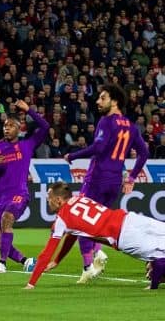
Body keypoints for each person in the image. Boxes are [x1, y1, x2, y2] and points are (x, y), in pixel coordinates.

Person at [64, 83, 149, 283]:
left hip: (97, 177)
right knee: (100, 221)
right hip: (114, 181)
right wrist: (131, 178)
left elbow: (99, 147)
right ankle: (98, 253)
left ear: (115, 101)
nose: (98, 101)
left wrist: (73, 155)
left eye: (102, 98)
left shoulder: (106, 121)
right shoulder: (130, 125)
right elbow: (144, 153)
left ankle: (88, 266)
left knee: (82, 221)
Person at [25, 182, 165, 290]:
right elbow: (72, 235)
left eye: (49, 199)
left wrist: (31, 283)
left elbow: (46, 253)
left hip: (124, 236)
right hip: (130, 218)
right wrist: (57, 261)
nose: (47, 202)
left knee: (158, 259)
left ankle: (156, 282)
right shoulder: (80, 198)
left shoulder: (61, 220)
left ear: (58, 200)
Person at [0, 100, 49, 273]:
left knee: (7, 219)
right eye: (5, 125)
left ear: (18, 129)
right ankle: (25, 260)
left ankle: (2, 262)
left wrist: (29, 110)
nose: (7, 128)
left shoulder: (27, 144)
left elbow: (45, 126)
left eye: (11, 126)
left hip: (19, 193)